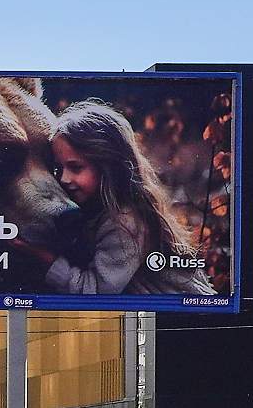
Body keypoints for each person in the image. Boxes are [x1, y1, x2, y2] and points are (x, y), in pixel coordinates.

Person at [32, 100, 214, 297]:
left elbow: (95, 293)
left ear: (108, 167)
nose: (63, 179)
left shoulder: (124, 223)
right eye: (58, 169)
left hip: (184, 312)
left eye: (76, 167)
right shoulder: (98, 209)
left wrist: (47, 261)